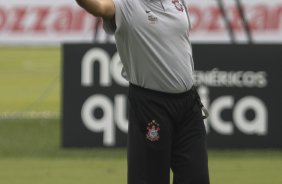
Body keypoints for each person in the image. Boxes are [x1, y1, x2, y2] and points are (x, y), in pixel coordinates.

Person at [75, 0, 210, 183]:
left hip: (188, 105)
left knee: (197, 178)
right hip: (151, 106)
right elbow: (98, 7)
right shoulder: (127, 5)